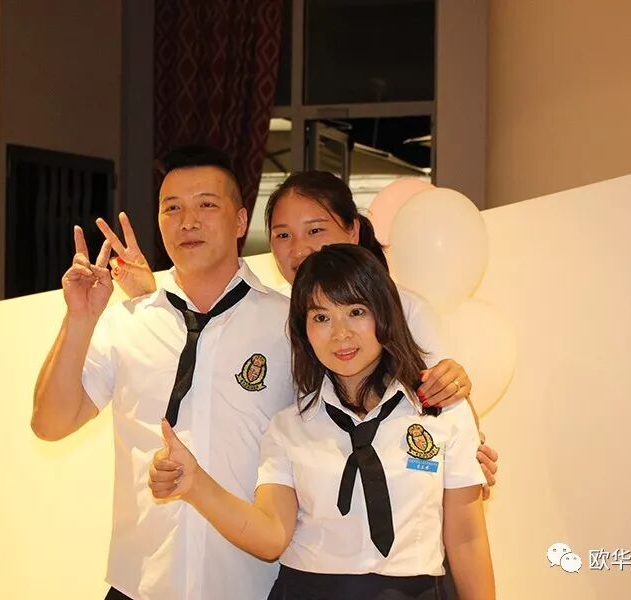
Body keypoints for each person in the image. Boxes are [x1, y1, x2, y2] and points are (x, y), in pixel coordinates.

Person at [105, 169, 498, 486]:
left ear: (352, 231)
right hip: (310, 511)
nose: (298, 249)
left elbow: (446, 413)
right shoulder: (275, 311)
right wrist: (149, 298)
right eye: (283, 235)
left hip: (399, 509)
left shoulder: (404, 309)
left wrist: (464, 450)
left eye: (315, 230)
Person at [148, 244, 496, 599]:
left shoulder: (443, 412)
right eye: (321, 318)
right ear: (304, 330)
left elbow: (467, 538)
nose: (340, 334)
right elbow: (271, 537)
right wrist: (196, 484)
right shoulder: (289, 427)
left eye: (356, 312)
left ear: (384, 314)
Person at [32, 146, 296, 599]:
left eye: (206, 205)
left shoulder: (289, 324)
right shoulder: (128, 321)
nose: (187, 221)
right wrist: (79, 319)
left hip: (252, 585)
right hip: (140, 586)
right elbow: (50, 423)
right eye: (172, 208)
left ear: (239, 221)